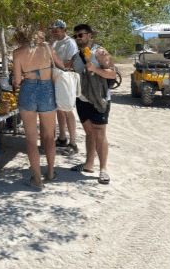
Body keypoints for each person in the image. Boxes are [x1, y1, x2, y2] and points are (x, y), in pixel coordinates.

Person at [12, 25, 66, 189]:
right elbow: (62, 66)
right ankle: (50, 173)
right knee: (49, 137)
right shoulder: (48, 48)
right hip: (47, 90)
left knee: (31, 139)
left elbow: (18, 81)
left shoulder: (17, 53)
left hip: (27, 90)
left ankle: (37, 180)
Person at [69, 24, 116, 184]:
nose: (77, 39)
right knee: (89, 133)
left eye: (80, 35)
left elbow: (112, 74)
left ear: (89, 36)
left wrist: (95, 69)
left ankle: (103, 169)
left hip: (99, 100)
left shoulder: (100, 52)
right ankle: (89, 164)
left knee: (100, 134)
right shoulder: (76, 57)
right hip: (81, 100)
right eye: (75, 36)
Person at [50, 20, 80, 154]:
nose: (54, 33)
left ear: (63, 29)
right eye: (53, 31)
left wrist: (57, 67)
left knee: (67, 110)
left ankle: (73, 143)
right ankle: (62, 138)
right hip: (57, 78)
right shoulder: (56, 43)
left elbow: (70, 63)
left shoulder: (70, 43)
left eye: (56, 30)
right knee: (59, 109)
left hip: (66, 79)